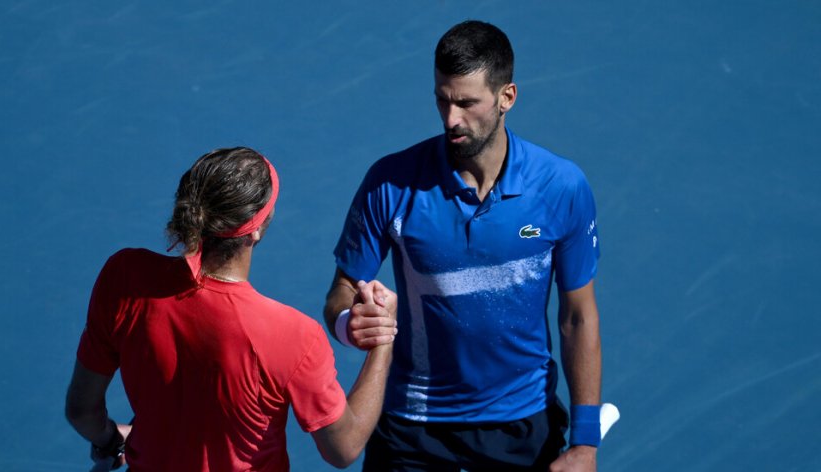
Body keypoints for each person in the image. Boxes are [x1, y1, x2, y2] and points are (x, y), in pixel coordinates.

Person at [323, 20, 603, 471]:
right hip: (411, 428)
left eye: (467, 103)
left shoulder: (561, 187)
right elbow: (341, 288)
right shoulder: (389, 182)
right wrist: (349, 321)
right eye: (442, 99)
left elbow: (578, 315)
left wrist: (585, 443)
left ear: (507, 97)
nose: (451, 119)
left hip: (522, 426)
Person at [65, 147, 399, 471]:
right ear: (255, 230)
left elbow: (82, 411)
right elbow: (343, 449)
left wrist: (111, 439)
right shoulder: (293, 334)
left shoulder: (125, 277)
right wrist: (384, 340)